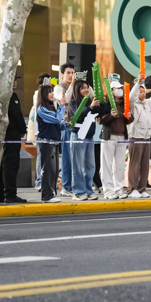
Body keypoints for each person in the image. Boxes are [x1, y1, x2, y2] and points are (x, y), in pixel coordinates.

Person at [127, 74, 151, 199]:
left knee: (144, 165)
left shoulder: (148, 103)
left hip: (147, 138)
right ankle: (132, 188)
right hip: (136, 137)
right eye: (140, 92)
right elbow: (131, 96)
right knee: (135, 164)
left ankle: (142, 188)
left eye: (143, 92)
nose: (143, 94)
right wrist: (138, 83)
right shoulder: (133, 104)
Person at [67, 79, 102, 201]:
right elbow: (77, 115)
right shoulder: (72, 102)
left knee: (90, 166)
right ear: (77, 90)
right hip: (78, 136)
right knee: (78, 165)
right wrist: (90, 107)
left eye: (87, 87)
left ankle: (88, 190)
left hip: (89, 136)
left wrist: (97, 105)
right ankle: (78, 191)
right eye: (82, 88)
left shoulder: (90, 100)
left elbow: (98, 113)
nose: (86, 90)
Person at [97, 80, 131, 200]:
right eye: (117, 88)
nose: (119, 90)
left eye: (120, 88)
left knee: (120, 165)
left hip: (122, 136)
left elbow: (128, 120)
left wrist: (129, 117)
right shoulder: (105, 103)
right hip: (108, 137)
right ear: (111, 91)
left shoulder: (124, 103)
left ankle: (119, 189)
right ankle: (108, 191)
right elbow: (100, 120)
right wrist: (110, 115)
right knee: (107, 165)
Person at [0, 77, 27, 204]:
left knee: (5, 165)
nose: (15, 82)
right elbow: (17, 115)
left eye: (16, 79)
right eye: (12, 79)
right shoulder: (8, 96)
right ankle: (9, 194)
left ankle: (1, 194)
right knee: (10, 165)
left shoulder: (10, 95)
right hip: (10, 134)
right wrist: (23, 129)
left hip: (8, 134)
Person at [36, 84, 66, 203]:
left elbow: (58, 124)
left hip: (54, 142)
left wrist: (66, 124)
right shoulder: (41, 109)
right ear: (44, 94)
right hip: (46, 142)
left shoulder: (51, 107)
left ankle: (52, 193)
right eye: (50, 92)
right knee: (48, 169)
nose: (53, 94)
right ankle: (46, 195)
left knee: (54, 170)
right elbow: (56, 119)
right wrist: (62, 105)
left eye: (53, 91)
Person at [57, 62, 77, 197]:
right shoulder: (59, 88)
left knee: (75, 158)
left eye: (73, 73)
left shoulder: (76, 86)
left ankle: (74, 185)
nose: (71, 75)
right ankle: (66, 186)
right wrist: (73, 85)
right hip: (66, 126)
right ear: (62, 74)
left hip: (77, 125)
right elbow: (64, 100)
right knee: (67, 158)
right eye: (68, 73)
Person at [28, 73, 50, 190]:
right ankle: (39, 182)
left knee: (50, 158)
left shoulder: (53, 94)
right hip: (40, 131)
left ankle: (48, 181)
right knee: (41, 156)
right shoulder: (37, 94)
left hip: (50, 131)